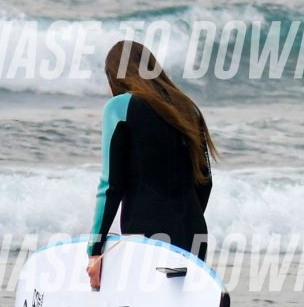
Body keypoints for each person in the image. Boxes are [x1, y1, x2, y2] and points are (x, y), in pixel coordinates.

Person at [86, 39, 214, 290]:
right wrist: (185, 220)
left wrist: (95, 250)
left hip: (147, 236)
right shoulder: (188, 108)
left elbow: (111, 185)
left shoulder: (120, 107)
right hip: (194, 233)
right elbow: (205, 181)